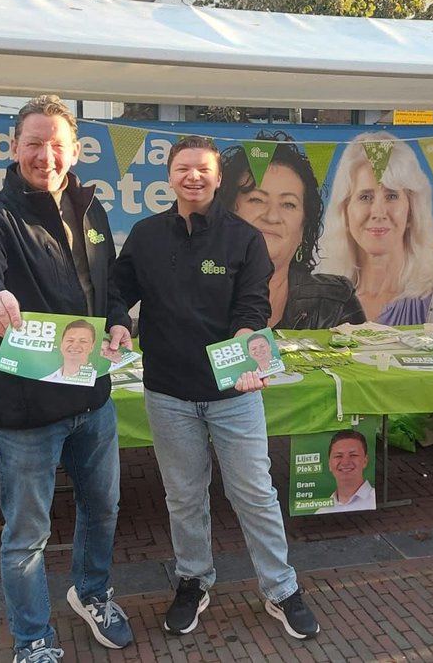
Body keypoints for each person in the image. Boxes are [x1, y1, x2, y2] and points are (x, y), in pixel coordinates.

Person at [110, 135, 321, 641]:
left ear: (217, 178)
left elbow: (253, 305)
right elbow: (118, 288)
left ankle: (280, 587)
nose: (193, 177)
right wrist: (117, 320)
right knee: (184, 496)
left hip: (233, 393)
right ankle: (193, 579)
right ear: (169, 176)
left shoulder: (243, 238)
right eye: (183, 168)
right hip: (168, 391)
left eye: (203, 169)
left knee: (254, 492)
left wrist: (247, 346)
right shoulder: (146, 235)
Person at [0, 95, 134, 662]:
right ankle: (33, 639)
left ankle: (92, 592)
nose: (45, 156)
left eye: (57, 145)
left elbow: (106, 285)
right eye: (33, 144)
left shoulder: (92, 211)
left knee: (103, 509)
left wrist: (119, 321)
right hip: (26, 410)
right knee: (27, 536)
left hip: (93, 399)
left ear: (75, 151)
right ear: (13, 148)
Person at [218, 136, 365, 330]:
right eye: (257, 200)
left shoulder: (336, 301)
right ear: (226, 212)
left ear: (304, 228)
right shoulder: (194, 293)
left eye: (288, 204)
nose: (272, 217)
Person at [317, 131, 433, 325]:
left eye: (391, 196)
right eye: (365, 197)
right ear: (345, 212)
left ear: (412, 210)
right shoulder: (323, 297)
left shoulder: (431, 298)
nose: (379, 212)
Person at [316, 430, 374, 515]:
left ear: (365, 461)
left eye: (353, 455)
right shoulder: (322, 511)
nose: (345, 462)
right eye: (338, 456)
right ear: (329, 464)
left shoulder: (376, 501)